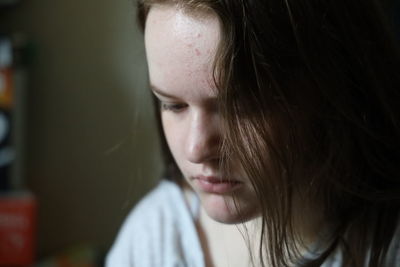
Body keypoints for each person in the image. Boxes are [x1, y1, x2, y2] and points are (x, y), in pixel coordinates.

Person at [106, 0, 400, 266]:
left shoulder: (387, 247)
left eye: (239, 108)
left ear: (331, 89)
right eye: (173, 105)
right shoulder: (152, 239)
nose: (196, 149)